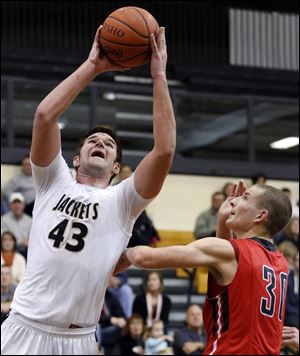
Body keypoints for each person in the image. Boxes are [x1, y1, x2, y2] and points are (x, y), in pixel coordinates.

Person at [1, 24, 176, 356]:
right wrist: (93, 66)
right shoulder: (53, 181)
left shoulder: (124, 200)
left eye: (109, 145)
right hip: (24, 327)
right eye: (93, 141)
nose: (101, 143)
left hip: (78, 339)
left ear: (115, 168)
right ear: (76, 158)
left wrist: (158, 76)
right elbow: (44, 116)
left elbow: (164, 151)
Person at [116, 180, 293, 355]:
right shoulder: (281, 262)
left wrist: (123, 253)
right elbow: (226, 272)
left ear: (260, 216)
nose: (234, 200)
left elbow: (144, 258)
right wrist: (223, 219)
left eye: (245, 198)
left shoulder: (230, 253)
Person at [1, 192, 32, 257]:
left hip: (26, 251)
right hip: (9, 250)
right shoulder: (3, 220)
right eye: (14, 203)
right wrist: (20, 242)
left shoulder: (30, 221)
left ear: (24, 205)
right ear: (9, 206)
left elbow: (32, 240)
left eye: (19, 203)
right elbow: (3, 239)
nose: (17, 206)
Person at [284, 252, 299, 328]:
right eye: (297, 260)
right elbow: (285, 303)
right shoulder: (287, 278)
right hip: (290, 318)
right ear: (294, 262)